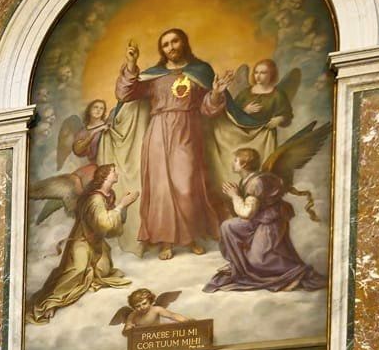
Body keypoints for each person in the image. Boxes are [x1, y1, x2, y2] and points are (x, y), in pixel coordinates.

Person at [114, 29, 235, 258]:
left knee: (187, 185)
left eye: (174, 41)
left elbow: (208, 110)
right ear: (162, 50)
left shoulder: (200, 72)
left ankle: (190, 238)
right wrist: (131, 64)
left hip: (187, 129)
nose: (171, 47)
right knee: (161, 189)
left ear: (183, 42)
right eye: (166, 44)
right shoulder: (155, 76)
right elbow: (125, 94)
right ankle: (166, 241)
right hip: (158, 133)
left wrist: (216, 93)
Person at [26, 165, 139, 323]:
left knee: (104, 269)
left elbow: (111, 228)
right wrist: (122, 205)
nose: (117, 173)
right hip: (82, 241)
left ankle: (85, 278)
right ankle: (50, 303)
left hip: (97, 244)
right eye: (114, 171)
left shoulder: (109, 195)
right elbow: (103, 223)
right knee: (77, 270)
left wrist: (123, 206)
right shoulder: (95, 199)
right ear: (106, 176)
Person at [205, 147, 327, 293]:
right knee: (228, 226)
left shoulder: (256, 182)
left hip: (270, 222)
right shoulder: (248, 179)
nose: (232, 163)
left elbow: (247, 213)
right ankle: (239, 264)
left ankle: (299, 273)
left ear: (244, 164)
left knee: (258, 261)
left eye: (236, 160)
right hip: (259, 220)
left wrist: (234, 196)